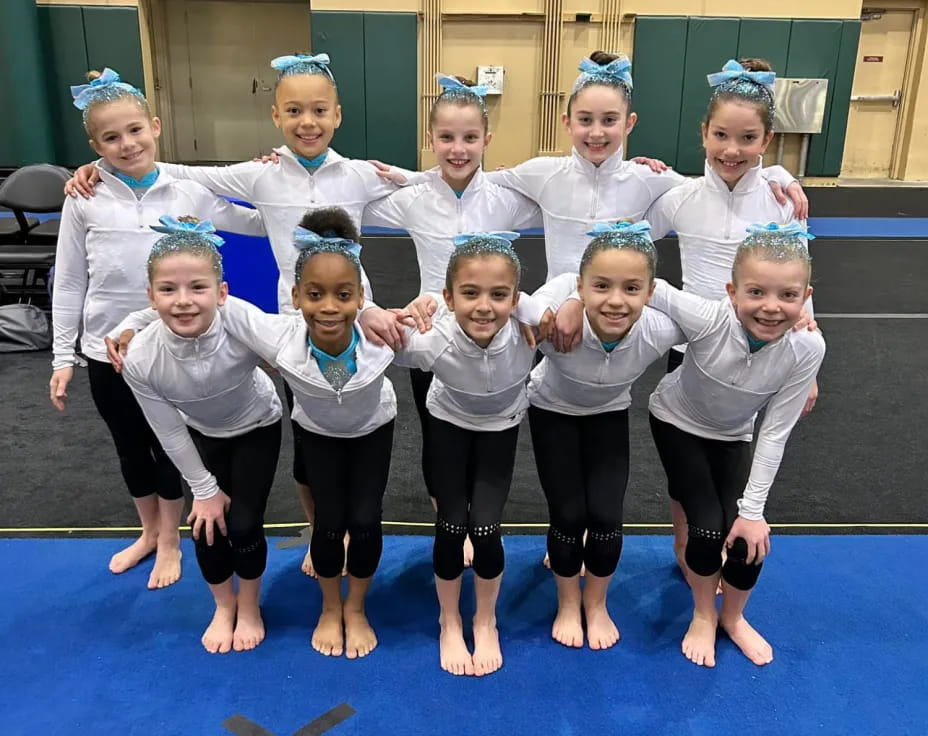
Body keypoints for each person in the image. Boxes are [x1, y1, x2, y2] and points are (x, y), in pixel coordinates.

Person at [64, 52, 411, 577]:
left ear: (338, 115)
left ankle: (357, 518)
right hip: (295, 324)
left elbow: (433, 189)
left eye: (319, 111)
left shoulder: (359, 175)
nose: (308, 122)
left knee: (359, 418)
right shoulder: (260, 176)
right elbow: (174, 170)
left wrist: (405, 173)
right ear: (276, 117)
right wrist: (97, 170)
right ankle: (319, 529)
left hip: (356, 317)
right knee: (308, 429)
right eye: (294, 111)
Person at [50, 68, 266, 588]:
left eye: (134, 131)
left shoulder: (187, 187)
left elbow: (256, 223)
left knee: (168, 442)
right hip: (107, 347)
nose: (126, 145)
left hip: (170, 345)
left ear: (155, 125)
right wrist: (63, 355)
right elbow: (70, 278)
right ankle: (148, 531)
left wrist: (276, 186)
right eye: (110, 138)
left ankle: (171, 540)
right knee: (129, 446)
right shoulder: (85, 194)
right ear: (94, 144)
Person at [646, 58, 820, 582]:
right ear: (704, 133)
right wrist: (640, 178)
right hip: (693, 336)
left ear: (766, 141)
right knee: (685, 461)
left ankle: (719, 533)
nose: (731, 149)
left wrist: (809, 354)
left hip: (760, 340)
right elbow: (634, 239)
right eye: (721, 135)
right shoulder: (679, 196)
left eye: (747, 138)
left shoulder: (782, 200)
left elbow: (800, 276)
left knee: (733, 445)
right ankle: (687, 543)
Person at [362, 73, 541, 563]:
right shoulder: (415, 198)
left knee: (493, 433)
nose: (458, 149)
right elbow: (343, 197)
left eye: (469, 138)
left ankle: (484, 518)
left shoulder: (507, 198)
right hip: (432, 331)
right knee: (436, 430)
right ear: (431, 140)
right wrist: (412, 178)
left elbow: (575, 204)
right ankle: (450, 518)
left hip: (494, 335)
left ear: (487, 139)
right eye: (446, 138)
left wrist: (643, 170)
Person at [217, 207, 395, 660]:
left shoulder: (384, 338)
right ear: (295, 296)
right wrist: (131, 325)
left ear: (361, 298)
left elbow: (449, 332)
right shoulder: (279, 336)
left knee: (366, 520)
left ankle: (356, 608)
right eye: (315, 294)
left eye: (343, 295)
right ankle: (330, 606)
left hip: (372, 431)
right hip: (318, 434)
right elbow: (214, 304)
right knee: (330, 523)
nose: (329, 307)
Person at [647, 222, 825, 668]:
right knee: (707, 529)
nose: (771, 308)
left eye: (787, 296)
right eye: (756, 293)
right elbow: (650, 286)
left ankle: (734, 617)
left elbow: (775, 432)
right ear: (732, 291)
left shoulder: (806, 349)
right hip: (676, 421)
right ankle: (705, 614)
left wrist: (753, 511)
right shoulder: (707, 317)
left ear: (805, 297)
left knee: (747, 541)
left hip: (732, 435)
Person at [106, 217, 281, 654]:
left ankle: (250, 603)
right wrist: (203, 489)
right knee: (207, 525)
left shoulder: (241, 320)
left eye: (198, 288)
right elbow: (167, 430)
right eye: (168, 290)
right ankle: (224, 607)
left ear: (222, 293)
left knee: (243, 524)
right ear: (151, 297)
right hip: (203, 434)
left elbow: (296, 342)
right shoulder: (142, 357)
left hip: (258, 425)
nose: (183, 301)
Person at [395, 231, 546, 677]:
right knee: (450, 525)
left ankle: (485, 619)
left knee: (484, 527)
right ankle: (450, 620)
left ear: (516, 299)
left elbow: (573, 316)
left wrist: (532, 311)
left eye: (499, 296)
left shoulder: (528, 332)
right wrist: (395, 312)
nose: (484, 306)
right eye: (470, 294)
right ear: (448, 297)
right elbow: (371, 336)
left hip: (499, 432)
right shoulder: (432, 338)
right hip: (448, 430)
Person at [528, 221, 684, 650]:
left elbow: (720, 321)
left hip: (608, 416)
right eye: (600, 287)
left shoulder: (660, 328)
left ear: (650, 293)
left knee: (607, 515)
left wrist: (803, 324)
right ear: (581, 285)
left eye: (632, 289)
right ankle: (566, 602)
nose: (616, 301)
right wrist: (568, 302)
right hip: (552, 413)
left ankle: (595, 604)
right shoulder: (557, 324)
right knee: (568, 514)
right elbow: (523, 306)